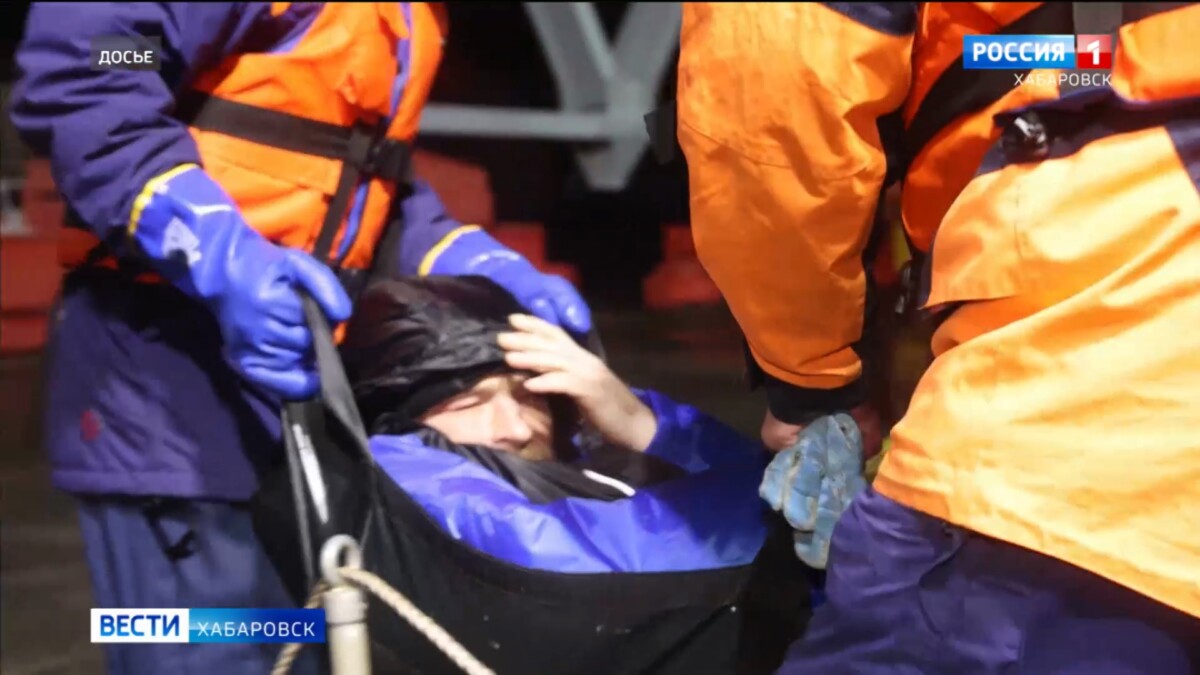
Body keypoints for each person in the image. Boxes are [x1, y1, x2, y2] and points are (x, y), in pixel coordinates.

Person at [9, 3, 589, 673]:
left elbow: (344, 175)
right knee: (201, 647)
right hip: (160, 404)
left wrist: (461, 257)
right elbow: (95, 58)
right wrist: (213, 246)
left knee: (296, 637)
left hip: (291, 413)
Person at [677, 2, 1200, 673]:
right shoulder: (1081, 48)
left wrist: (811, 383)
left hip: (1066, 452)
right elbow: (1084, 49)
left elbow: (773, 91)